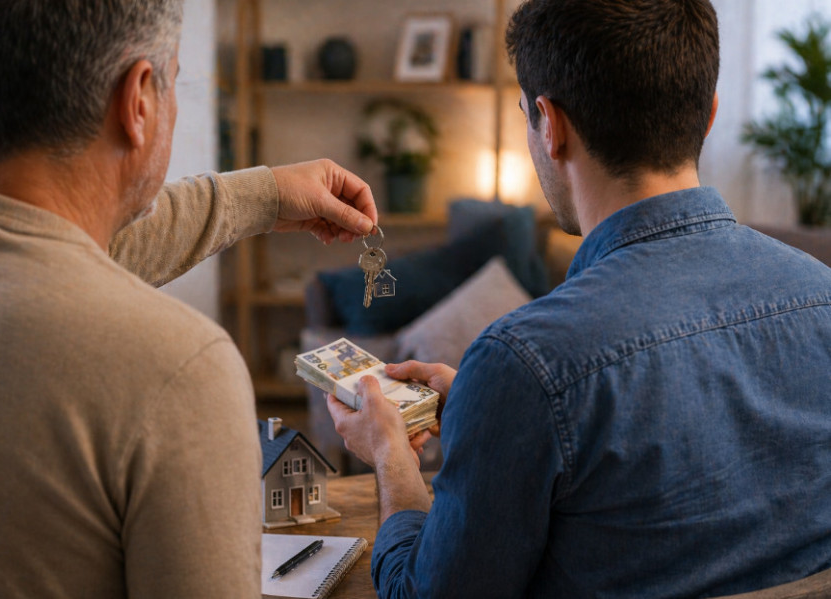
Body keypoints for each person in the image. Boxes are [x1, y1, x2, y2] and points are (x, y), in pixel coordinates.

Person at [328, 0, 831, 597]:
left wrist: (391, 457)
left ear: (550, 124)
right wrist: (488, 408)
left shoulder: (525, 362)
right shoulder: (821, 297)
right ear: (709, 115)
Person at [0, 1, 376, 597]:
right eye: (175, 82)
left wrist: (268, 193)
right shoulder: (176, 368)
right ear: (139, 99)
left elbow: (60, 245)